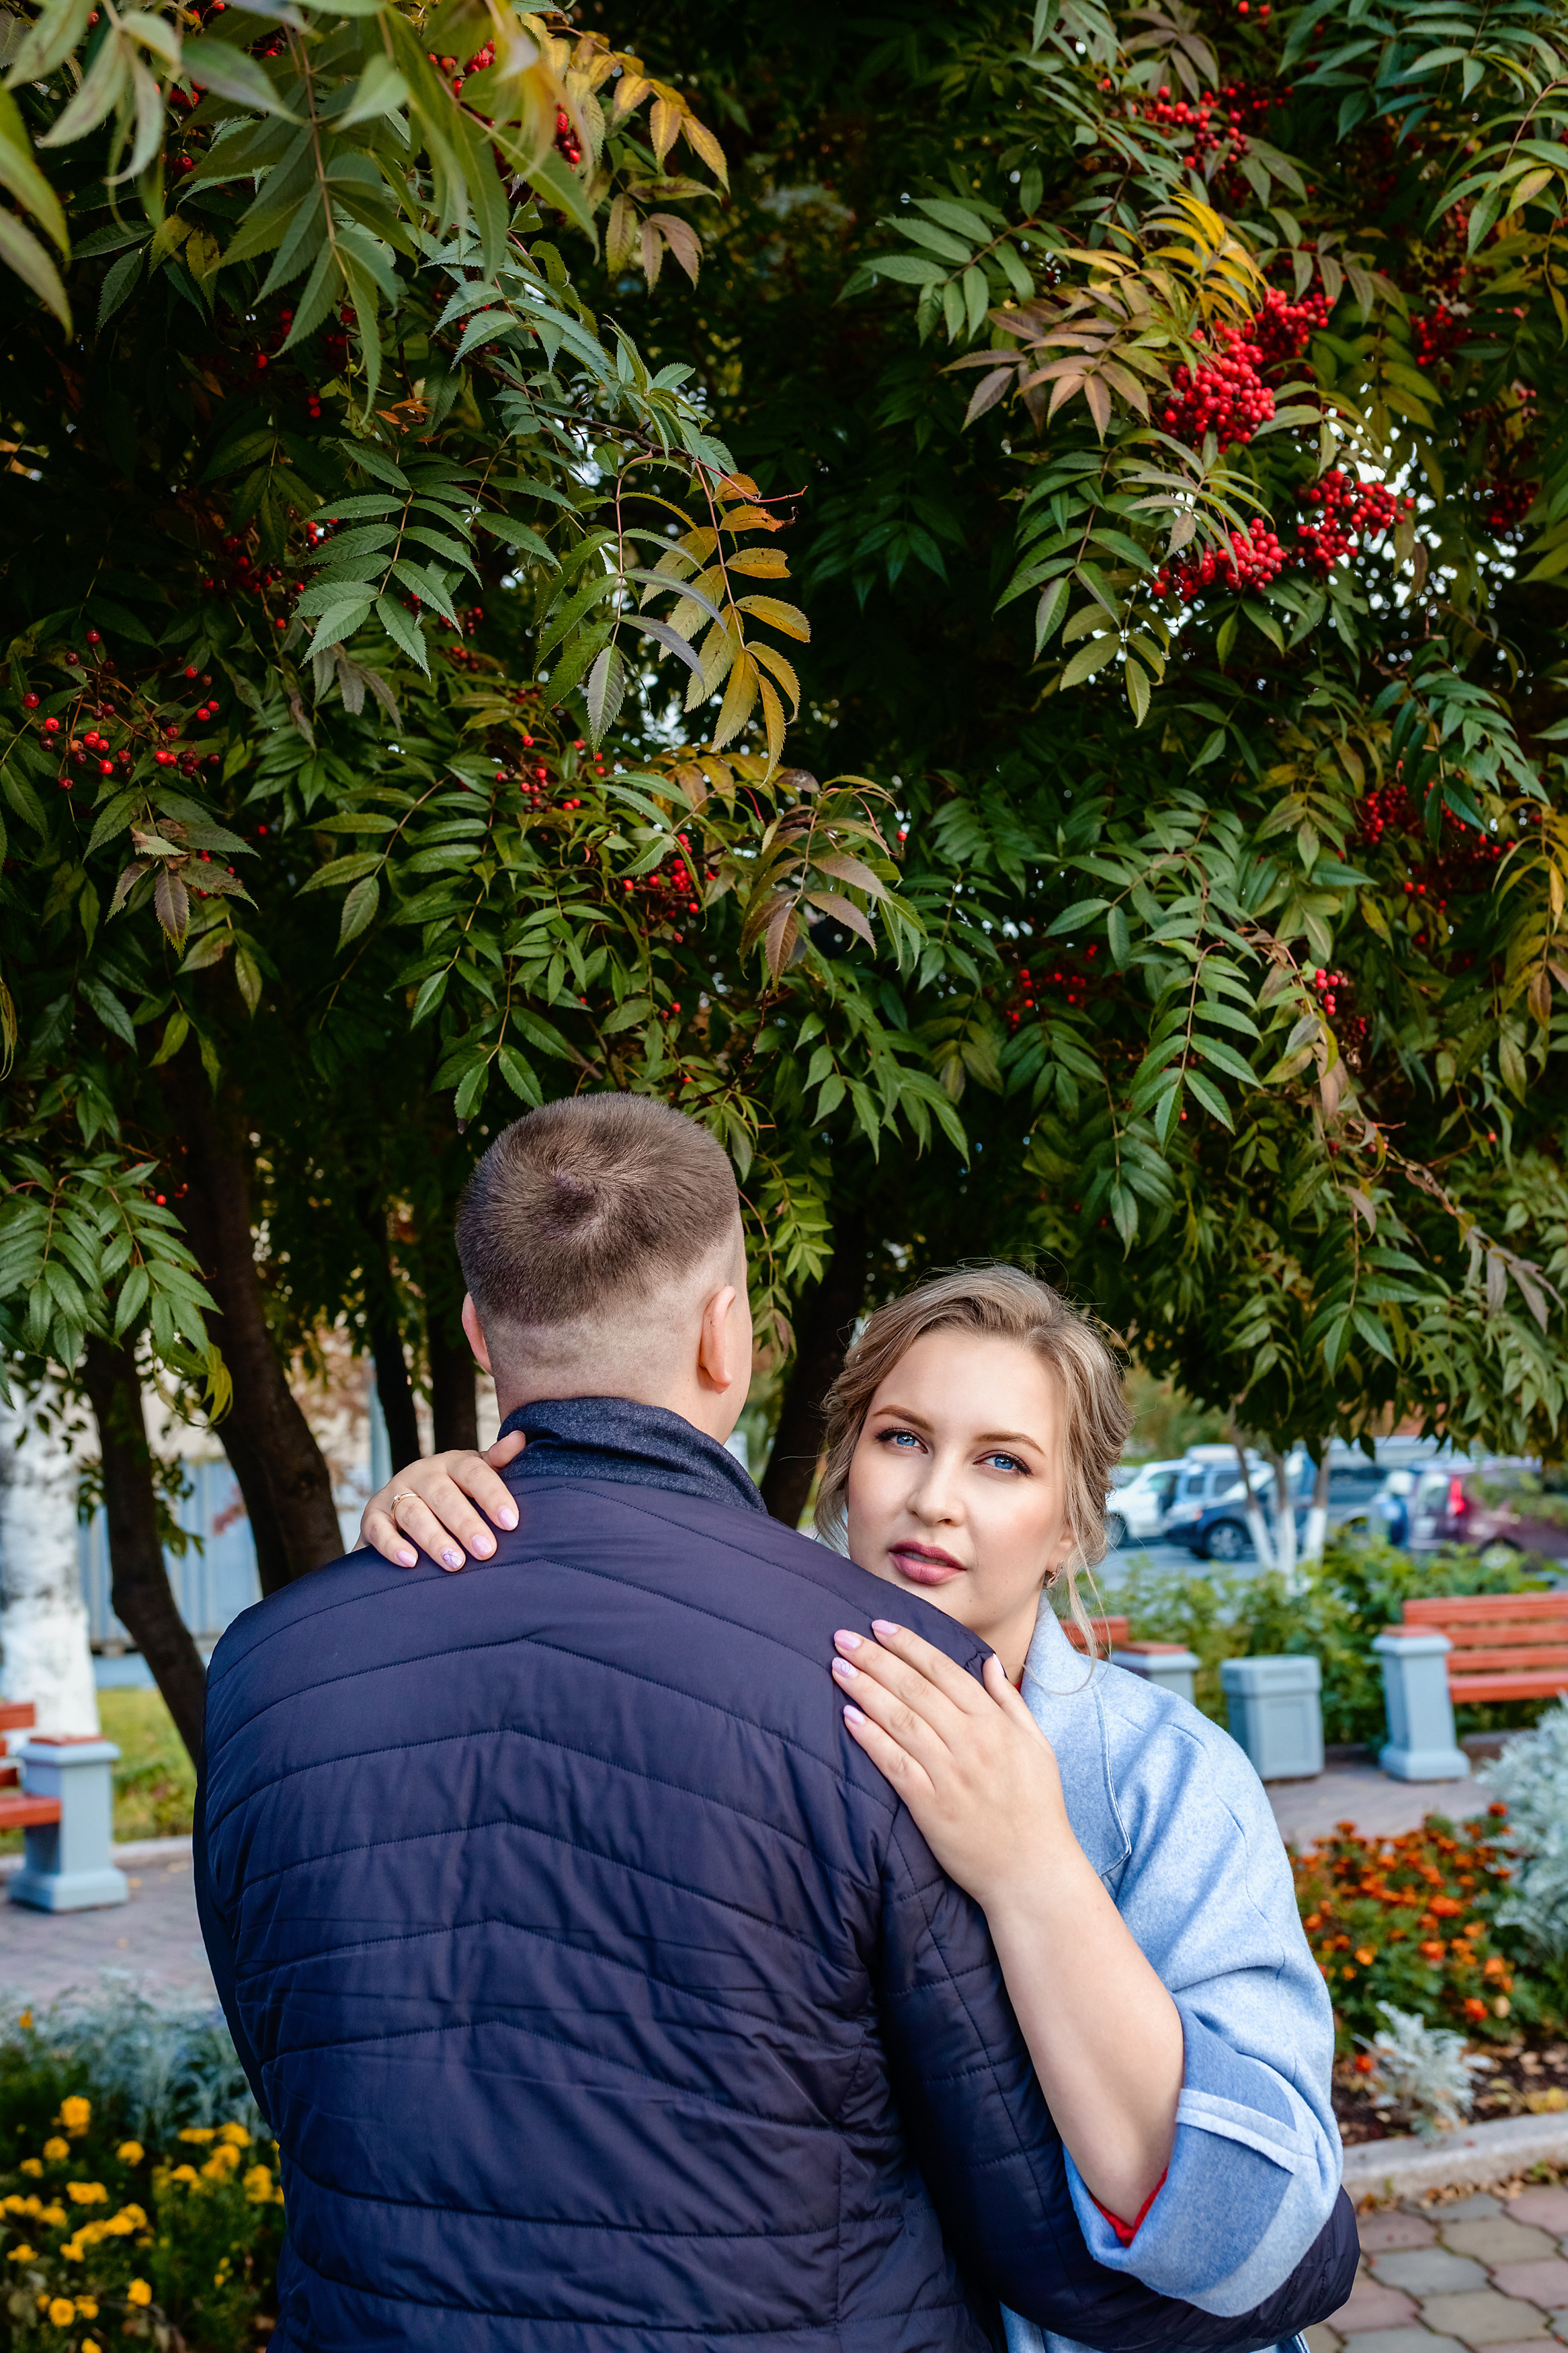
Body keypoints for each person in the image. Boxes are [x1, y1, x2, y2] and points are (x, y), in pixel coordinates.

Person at [201, 1095, 1356, 2353]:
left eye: (1003, 1462)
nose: (932, 1501)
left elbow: (1264, 2227)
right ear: (804, 1415)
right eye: (900, 1439)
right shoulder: (817, 1688)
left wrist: (1032, 1865)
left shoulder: (1162, 1783)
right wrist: (476, 1532)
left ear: (1074, 1523)